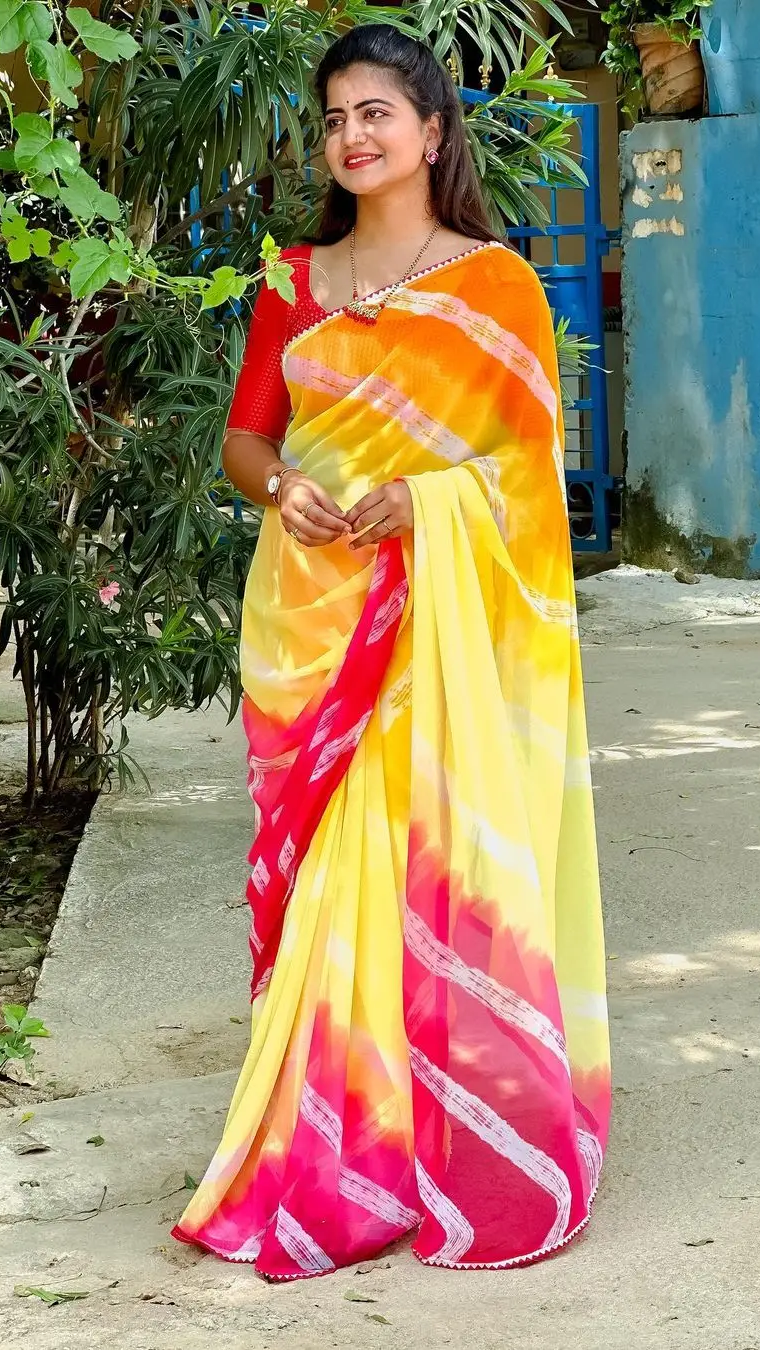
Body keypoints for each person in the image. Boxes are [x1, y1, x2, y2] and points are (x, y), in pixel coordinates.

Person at [172, 24, 611, 1280]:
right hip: (315, 618)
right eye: (333, 119)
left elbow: (528, 479)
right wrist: (283, 494)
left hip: (441, 638)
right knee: (333, 893)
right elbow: (248, 441)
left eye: (377, 114)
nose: (352, 137)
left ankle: (460, 1137)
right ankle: (342, 1143)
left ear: (432, 132)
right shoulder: (292, 283)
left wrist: (428, 502)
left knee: (434, 876)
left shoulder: (495, 287)